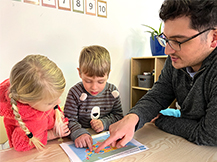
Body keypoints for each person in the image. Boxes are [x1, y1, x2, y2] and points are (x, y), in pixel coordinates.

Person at [95, 0, 217, 153]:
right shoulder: (177, 60)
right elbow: (158, 95)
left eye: (178, 41)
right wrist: (133, 117)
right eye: (166, 39)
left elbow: (210, 135)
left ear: (214, 38)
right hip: (188, 144)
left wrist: (161, 120)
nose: (167, 50)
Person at [0, 54, 70, 151]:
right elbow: (21, 145)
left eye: (58, 97)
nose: (59, 102)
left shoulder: (27, 89)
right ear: (24, 100)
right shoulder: (32, 121)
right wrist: (52, 134)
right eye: (50, 103)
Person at [64, 45, 123, 151]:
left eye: (101, 81)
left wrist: (104, 123)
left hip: (104, 138)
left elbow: (118, 116)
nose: (94, 87)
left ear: (108, 74)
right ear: (79, 73)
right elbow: (69, 120)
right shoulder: (74, 93)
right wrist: (79, 133)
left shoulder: (112, 92)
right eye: (88, 81)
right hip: (82, 140)